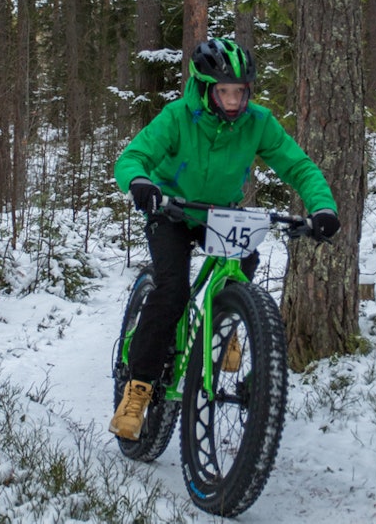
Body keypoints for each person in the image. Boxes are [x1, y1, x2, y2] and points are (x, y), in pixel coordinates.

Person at [109, 36, 340, 440]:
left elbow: (298, 166)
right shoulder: (178, 116)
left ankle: (223, 325)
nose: (234, 101)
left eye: (240, 92)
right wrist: (141, 183)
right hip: (171, 209)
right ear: (205, 89)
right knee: (172, 291)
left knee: (243, 264)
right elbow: (132, 157)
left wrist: (323, 208)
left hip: (219, 213)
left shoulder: (258, 122)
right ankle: (138, 388)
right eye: (225, 92)